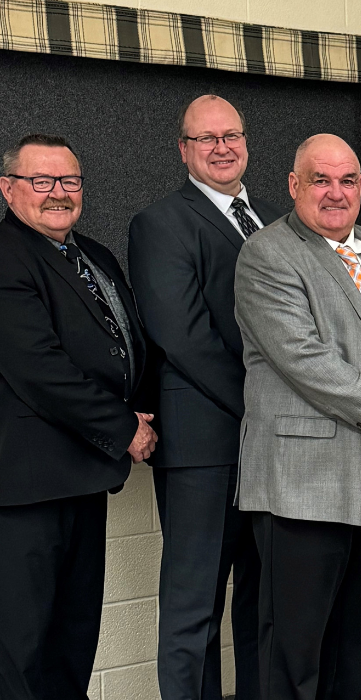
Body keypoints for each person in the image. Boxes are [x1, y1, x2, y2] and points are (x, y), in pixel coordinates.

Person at [233, 133, 361, 700]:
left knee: (354, 646)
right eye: (320, 180)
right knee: (295, 652)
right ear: (294, 186)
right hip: (304, 485)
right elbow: (305, 360)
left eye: (348, 180)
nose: (336, 192)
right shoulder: (268, 254)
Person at [128, 95, 284, 700]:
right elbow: (183, 337)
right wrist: (266, 407)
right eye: (206, 138)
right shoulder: (160, 222)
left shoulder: (278, 216)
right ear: (184, 149)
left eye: (232, 135)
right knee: (194, 605)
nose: (222, 148)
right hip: (204, 445)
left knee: (262, 599)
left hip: (273, 448)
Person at [0, 134, 156, 699]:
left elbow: (126, 344)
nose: (58, 193)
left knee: (72, 638)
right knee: (20, 648)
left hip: (83, 478)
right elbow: (40, 368)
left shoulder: (94, 255)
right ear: (9, 188)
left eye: (69, 181)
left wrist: (144, 406)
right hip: (25, 492)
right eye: (41, 181)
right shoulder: (6, 255)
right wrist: (124, 428)